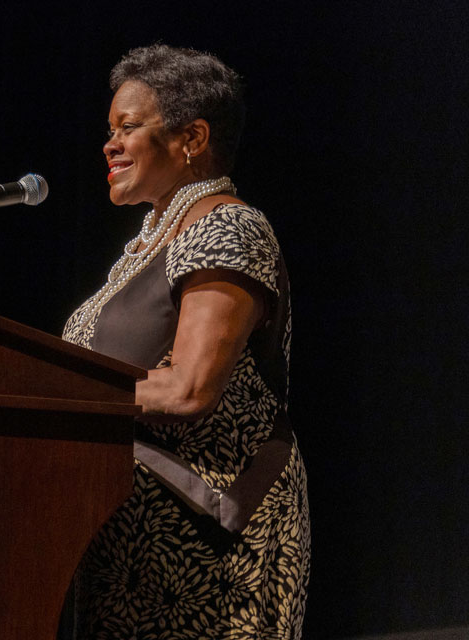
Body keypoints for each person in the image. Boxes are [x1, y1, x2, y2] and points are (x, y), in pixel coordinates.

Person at [60, 44, 310, 638]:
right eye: (109, 129)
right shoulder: (149, 243)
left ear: (192, 138)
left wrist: (56, 394)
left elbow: (190, 389)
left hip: (208, 540)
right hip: (132, 540)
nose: (110, 144)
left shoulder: (226, 226)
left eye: (129, 127)